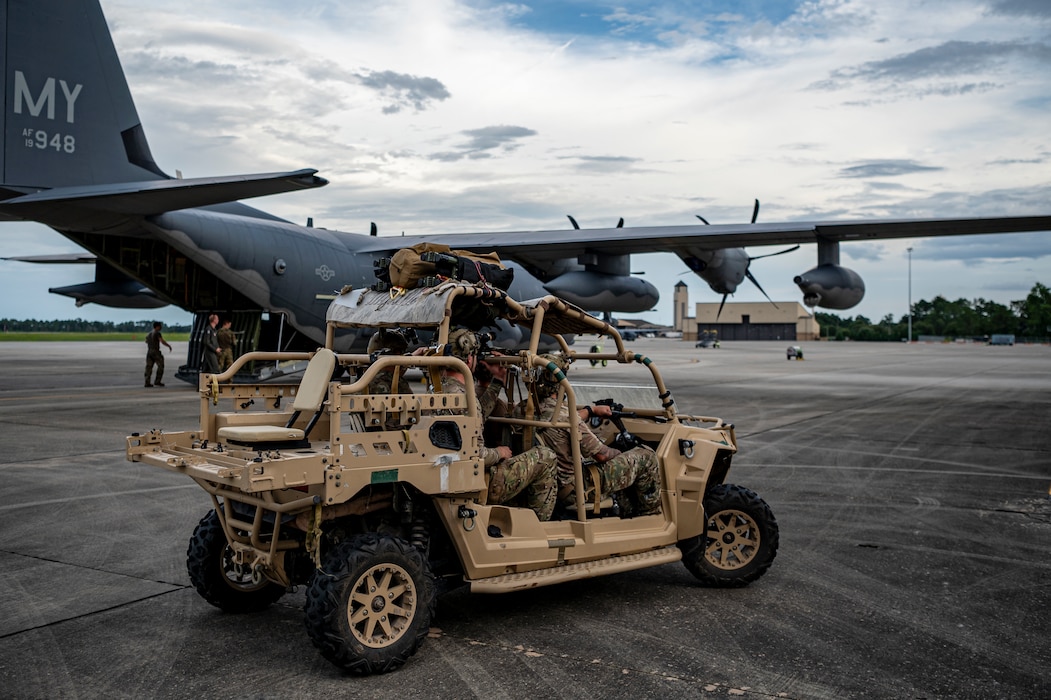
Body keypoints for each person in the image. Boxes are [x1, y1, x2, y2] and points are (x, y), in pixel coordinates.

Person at [439, 328, 558, 521]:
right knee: (546, 457)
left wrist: (496, 382)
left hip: (446, 475)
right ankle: (536, 526)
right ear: (469, 360)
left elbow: (475, 418)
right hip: (476, 482)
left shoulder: (437, 389)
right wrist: (499, 453)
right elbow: (477, 456)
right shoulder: (465, 398)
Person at [535, 353, 662, 517]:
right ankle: (652, 517)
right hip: (575, 488)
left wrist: (591, 410)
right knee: (646, 457)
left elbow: (558, 418)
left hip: (549, 485)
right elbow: (602, 455)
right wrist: (622, 453)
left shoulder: (525, 410)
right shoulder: (567, 417)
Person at [144, 321, 172, 387]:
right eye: (160, 326)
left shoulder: (149, 333)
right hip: (155, 352)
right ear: (157, 326)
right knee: (161, 366)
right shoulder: (157, 333)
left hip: (149, 351)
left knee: (149, 367)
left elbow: (146, 341)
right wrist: (168, 346)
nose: (161, 327)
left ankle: (147, 382)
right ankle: (157, 381)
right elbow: (161, 341)